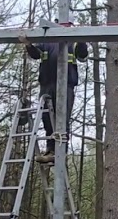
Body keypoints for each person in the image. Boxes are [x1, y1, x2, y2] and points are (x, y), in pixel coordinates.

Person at [19, 33, 89, 164]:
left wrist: (81, 40)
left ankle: (60, 151)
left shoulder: (72, 40)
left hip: (66, 84)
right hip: (47, 84)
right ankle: (51, 150)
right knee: (47, 118)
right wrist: (28, 44)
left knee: (62, 119)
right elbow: (35, 55)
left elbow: (82, 55)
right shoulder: (46, 41)